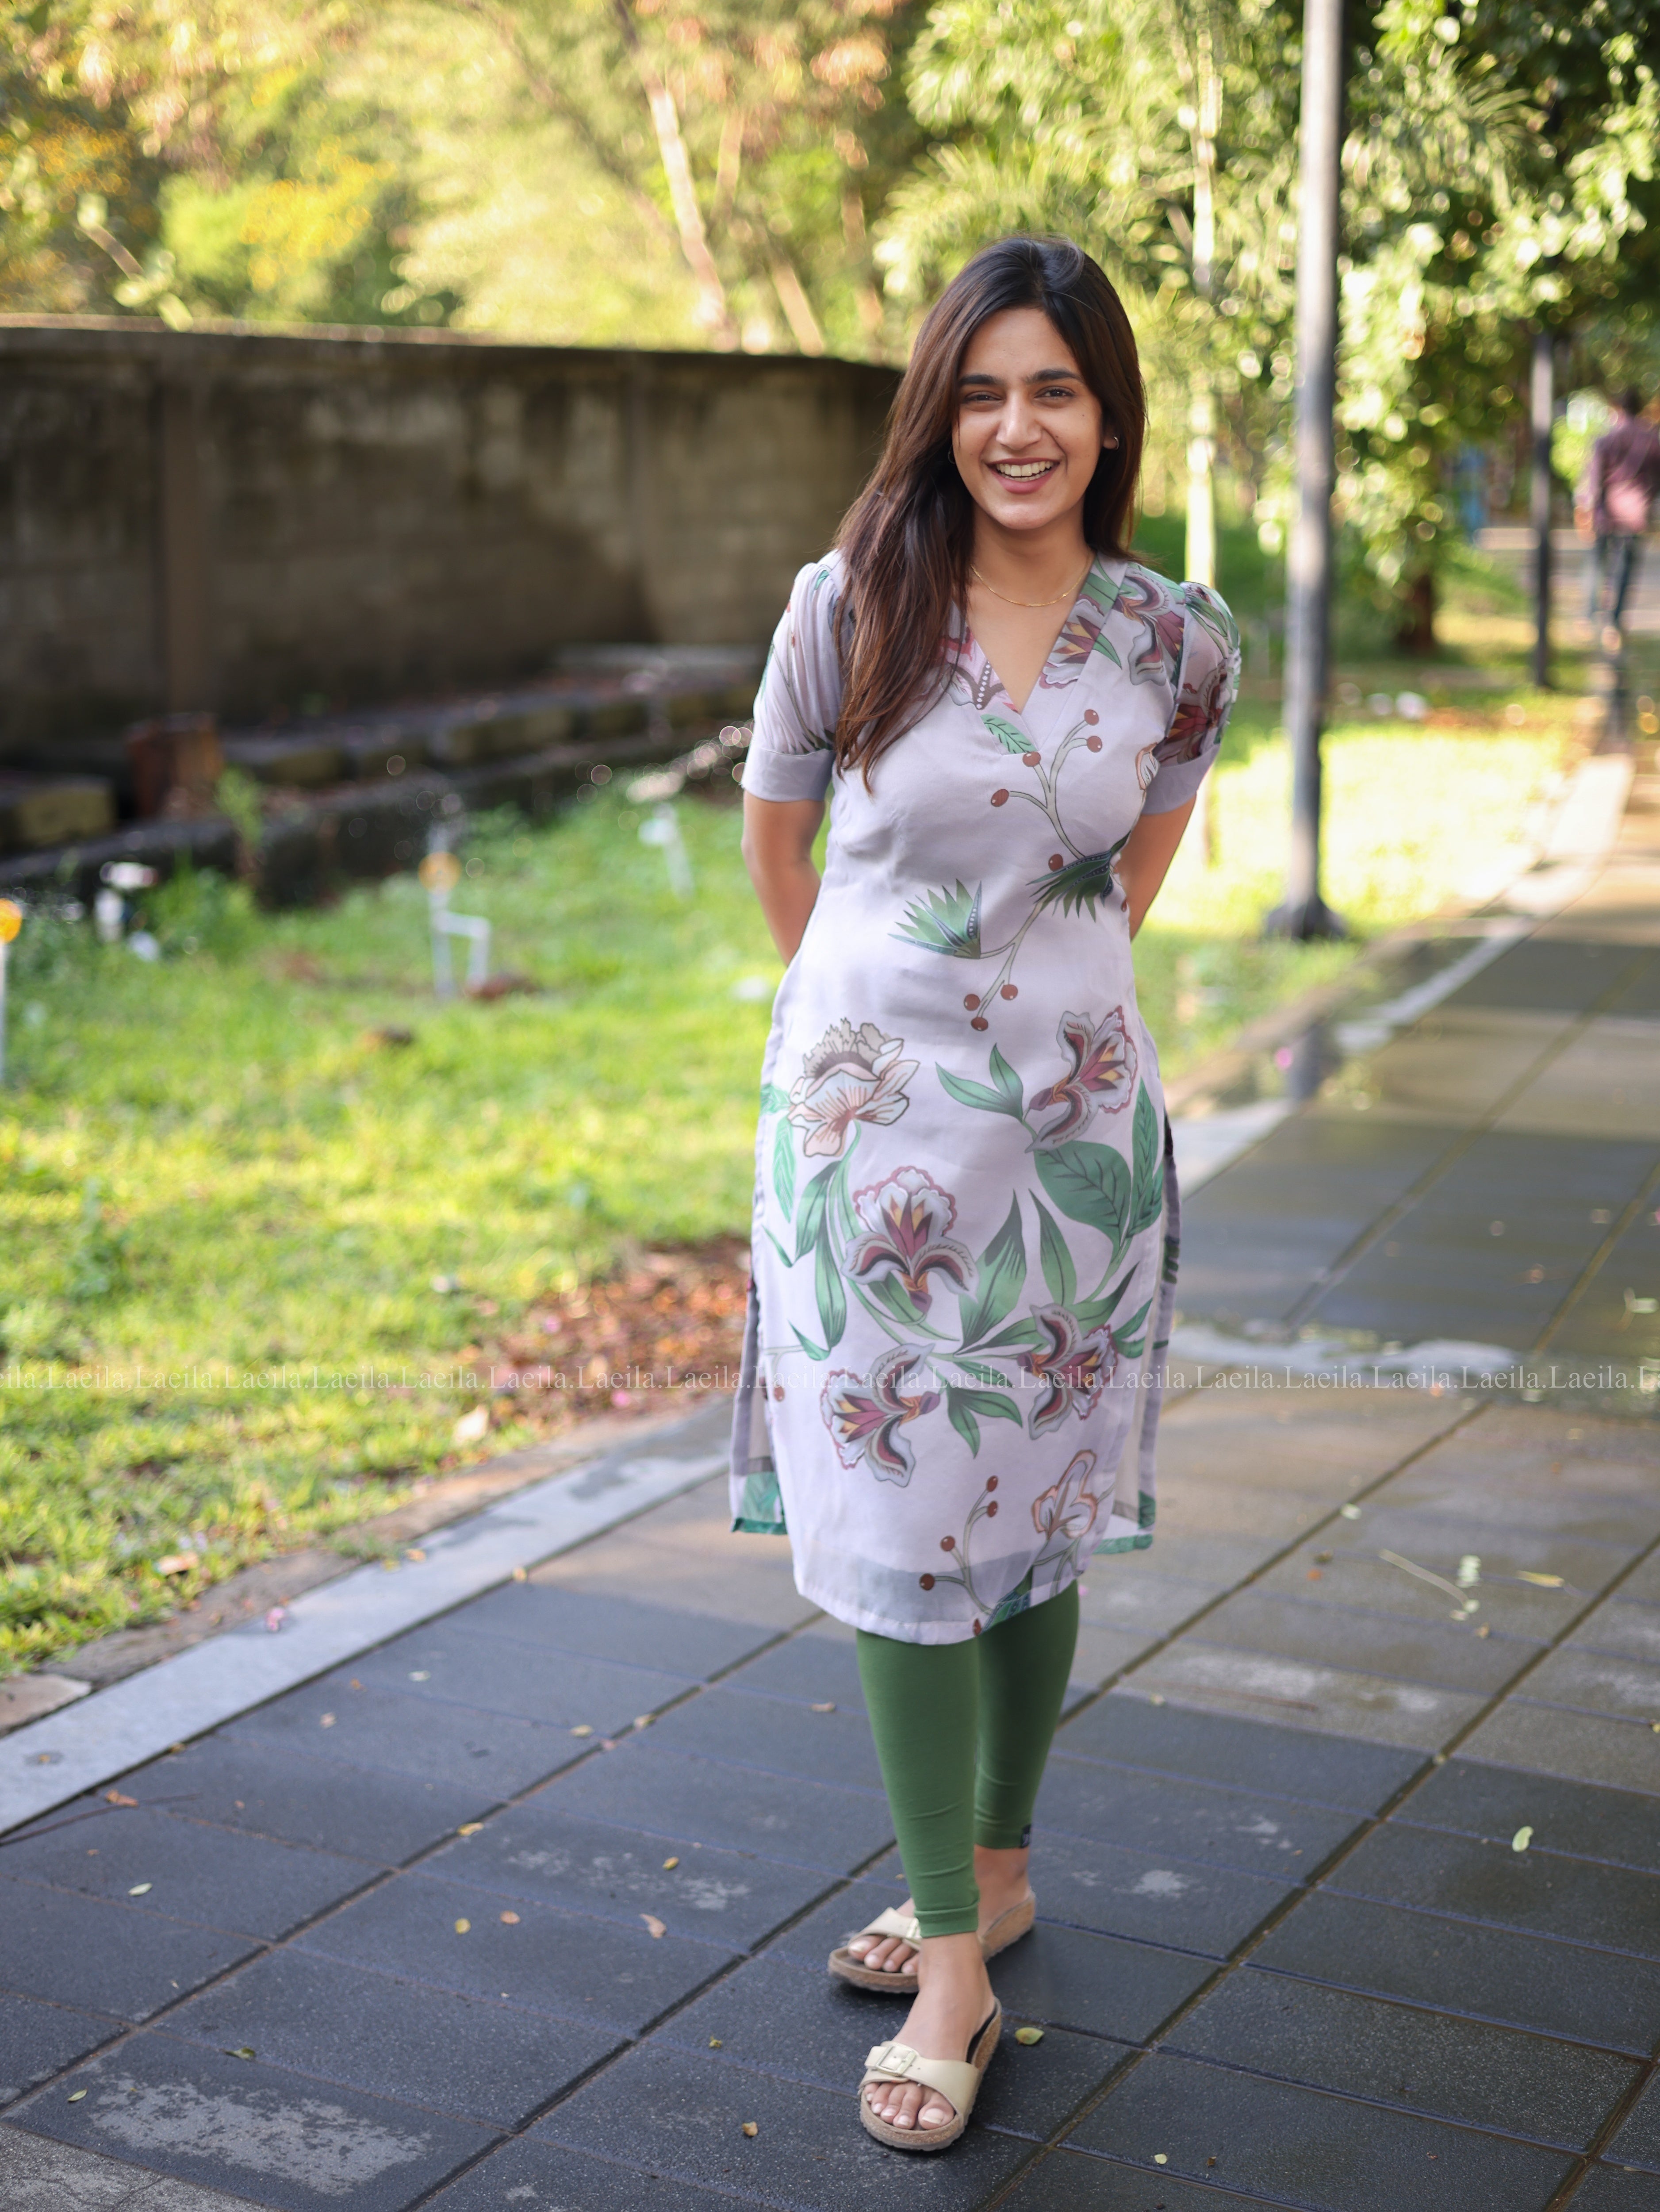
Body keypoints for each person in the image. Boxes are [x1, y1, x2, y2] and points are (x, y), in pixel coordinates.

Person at [733, 234, 1238, 2154]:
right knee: (894, 1526)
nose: (1013, 426)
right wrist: (884, 1032)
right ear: (931, 407)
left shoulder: (1172, 634)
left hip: (1073, 1142)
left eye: (1052, 389)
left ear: (1104, 412)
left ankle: (1001, 1871)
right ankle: (953, 1957)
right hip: (865, 1147)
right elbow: (783, 854)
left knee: (1038, 1508)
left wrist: (1036, 1038)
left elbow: (1132, 865)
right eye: (978, 389)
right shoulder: (846, 605)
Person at [1577, 385, 1660, 649]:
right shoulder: (1653, 441)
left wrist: (1585, 508)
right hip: (1636, 514)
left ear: (1618, 408)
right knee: (1624, 569)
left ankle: (1590, 617)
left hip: (1607, 513)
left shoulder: (1606, 439)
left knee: (1596, 564)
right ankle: (1614, 622)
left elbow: (1593, 478)